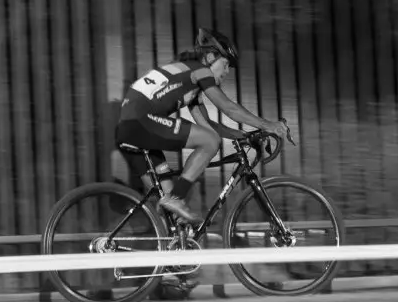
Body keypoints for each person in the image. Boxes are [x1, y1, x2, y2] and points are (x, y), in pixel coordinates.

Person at [115, 27, 287, 224]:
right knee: (210, 143)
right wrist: (268, 125)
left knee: (172, 214)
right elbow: (228, 108)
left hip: (130, 129)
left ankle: (170, 244)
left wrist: (244, 136)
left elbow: (208, 126)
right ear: (210, 57)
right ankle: (175, 199)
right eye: (225, 64)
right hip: (142, 122)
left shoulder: (187, 76)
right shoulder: (200, 71)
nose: (227, 71)